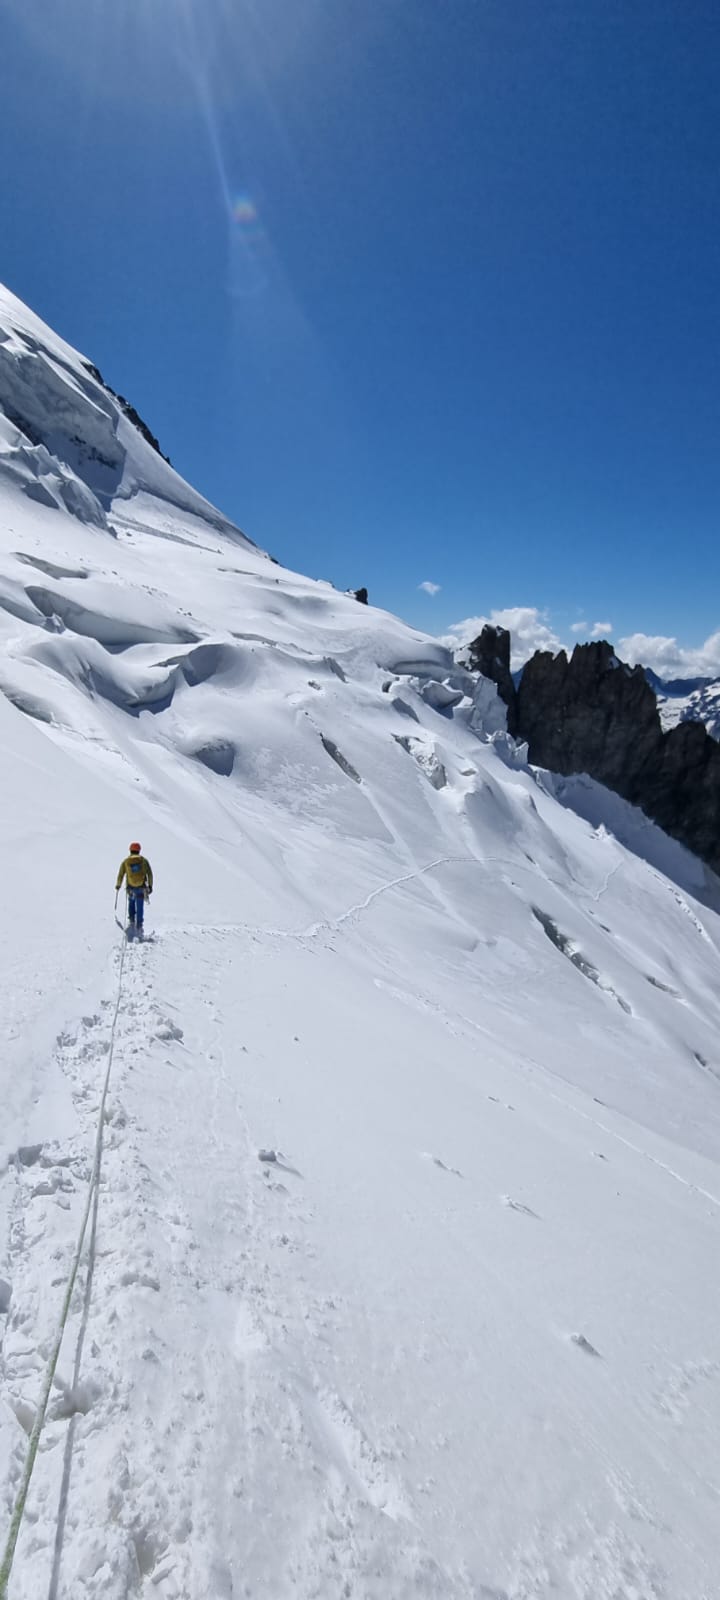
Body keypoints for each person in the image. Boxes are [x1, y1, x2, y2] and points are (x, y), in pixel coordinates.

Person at [116, 842, 153, 934]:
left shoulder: (126, 861)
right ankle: (139, 925)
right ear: (139, 850)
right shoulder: (144, 861)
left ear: (130, 850)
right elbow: (150, 874)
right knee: (140, 906)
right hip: (141, 888)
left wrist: (118, 885)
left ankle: (132, 920)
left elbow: (121, 874)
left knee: (131, 903)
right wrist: (150, 886)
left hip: (130, 887)